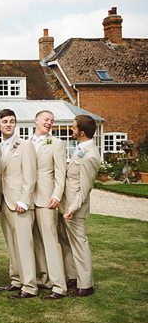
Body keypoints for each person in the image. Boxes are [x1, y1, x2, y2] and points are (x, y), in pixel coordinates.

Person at [0, 109, 38, 299]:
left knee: (24, 245)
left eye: (12, 121)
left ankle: (29, 286)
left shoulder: (25, 145)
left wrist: (24, 200)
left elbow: (30, 176)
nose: (8, 124)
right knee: (12, 244)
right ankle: (16, 280)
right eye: (5, 121)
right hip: (4, 202)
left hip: (19, 203)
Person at [58, 115, 100, 297]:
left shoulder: (90, 155)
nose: (71, 130)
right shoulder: (81, 149)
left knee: (80, 244)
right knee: (67, 243)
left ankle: (86, 285)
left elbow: (85, 188)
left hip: (74, 209)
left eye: (74, 128)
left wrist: (72, 209)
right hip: (66, 206)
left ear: (81, 133)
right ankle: (73, 277)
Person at [30, 110, 68, 300]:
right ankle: (43, 279)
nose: (49, 123)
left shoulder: (57, 144)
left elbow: (61, 174)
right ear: (36, 120)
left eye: (52, 121)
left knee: (51, 241)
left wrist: (56, 195)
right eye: (46, 119)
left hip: (46, 199)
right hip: (28, 200)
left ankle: (59, 286)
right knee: (35, 241)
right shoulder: (25, 143)